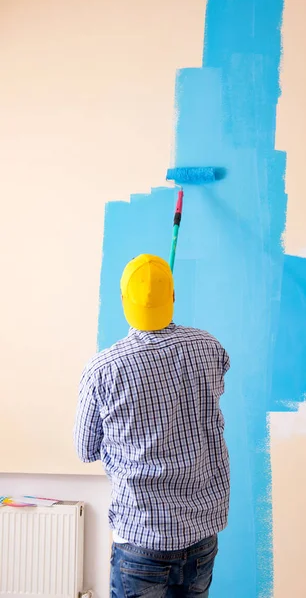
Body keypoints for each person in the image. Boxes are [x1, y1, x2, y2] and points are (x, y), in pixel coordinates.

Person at [74, 254, 230, 597]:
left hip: (141, 538)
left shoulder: (103, 369)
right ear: (172, 297)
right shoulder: (209, 347)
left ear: (123, 301)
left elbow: (85, 450)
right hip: (201, 534)